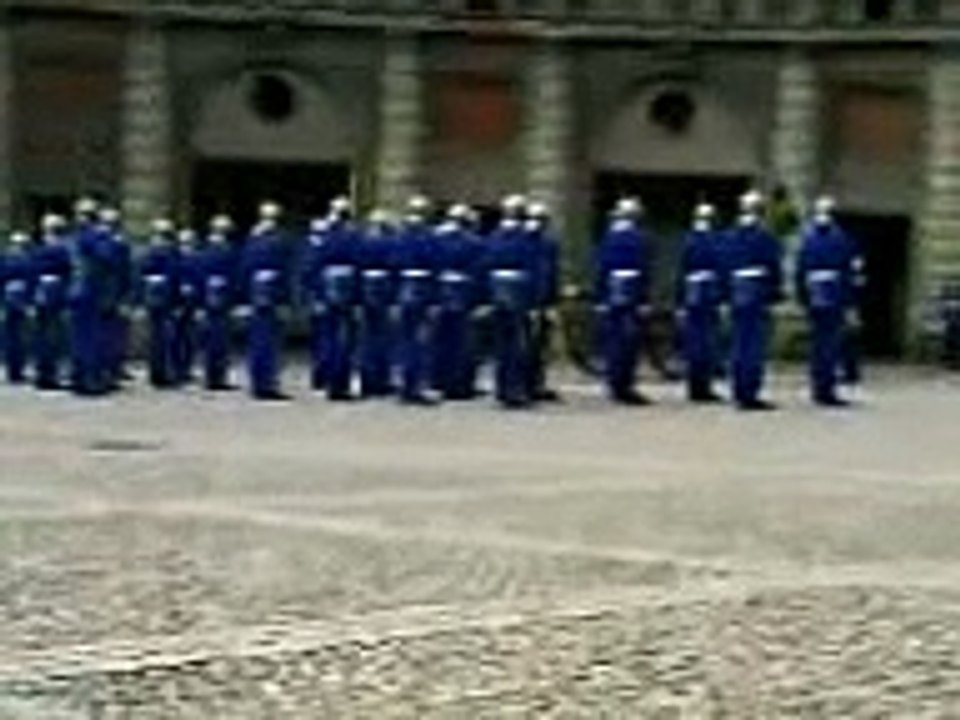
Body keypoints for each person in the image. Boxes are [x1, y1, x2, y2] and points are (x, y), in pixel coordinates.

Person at [724, 190, 784, 411]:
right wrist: (775, 293)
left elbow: (724, 266)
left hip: (737, 290)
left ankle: (739, 389)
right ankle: (749, 392)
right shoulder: (764, 236)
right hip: (757, 290)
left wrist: (725, 294)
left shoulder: (731, 235)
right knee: (754, 345)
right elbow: (773, 265)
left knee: (738, 343)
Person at [796, 196, 857, 407]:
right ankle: (826, 389)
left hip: (814, 292)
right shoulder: (841, 238)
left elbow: (800, 270)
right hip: (834, 292)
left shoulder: (808, 237)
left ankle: (817, 387)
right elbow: (848, 271)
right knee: (829, 344)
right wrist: (850, 301)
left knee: (817, 344)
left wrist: (803, 297)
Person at [594, 198, 652, 405]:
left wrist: (600, 297)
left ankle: (614, 383)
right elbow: (644, 270)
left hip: (611, 292)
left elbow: (600, 269)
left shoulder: (608, 237)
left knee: (613, 340)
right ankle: (624, 384)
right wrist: (645, 299)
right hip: (632, 292)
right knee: (629, 341)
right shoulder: (641, 238)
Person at [486, 194, 536, 408]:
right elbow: (532, 268)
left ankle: (502, 388)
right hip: (518, 290)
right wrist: (535, 301)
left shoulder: (495, 235)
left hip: (498, 289)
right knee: (517, 343)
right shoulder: (525, 236)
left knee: (501, 343)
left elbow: (486, 264)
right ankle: (514, 390)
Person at [433, 204, 483, 401]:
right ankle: (459, 384)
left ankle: (438, 380)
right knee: (462, 343)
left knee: (440, 339)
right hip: (464, 294)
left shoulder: (436, 239)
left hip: (440, 293)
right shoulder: (473, 243)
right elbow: (479, 272)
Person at [241, 201, 290, 400]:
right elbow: (286, 270)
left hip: (256, 291)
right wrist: (286, 299)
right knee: (270, 341)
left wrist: (243, 297)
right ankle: (267, 383)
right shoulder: (280, 239)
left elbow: (244, 268)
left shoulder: (252, 239)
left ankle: (257, 382)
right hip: (273, 291)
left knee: (257, 339)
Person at [393, 195, 439, 405]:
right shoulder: (429, 236)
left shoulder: (399, 236)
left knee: (404, 340)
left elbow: (392, 264)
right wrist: (434, 300)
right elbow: (434, 265)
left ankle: (405, 385)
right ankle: (417, 386)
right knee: (421, 341)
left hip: (403, 288)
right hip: (423, 289)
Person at [678, 203, 725, 403]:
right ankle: (702, 386)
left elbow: (682, 272)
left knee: (695, 342)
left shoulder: (689, 239)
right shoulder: (716, 240)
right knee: (706, 343)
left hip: (693, 292)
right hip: (708, 293)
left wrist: (679, 300)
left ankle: (696, 386)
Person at [67, 197, 112, 396]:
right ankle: (89, 380)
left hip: (77, 290)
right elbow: (106, 259)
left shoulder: (75, 236)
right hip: (91, 290)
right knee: (91, 338)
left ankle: (78, 378)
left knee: (79, 337)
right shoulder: (94, 236)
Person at [358, 209, 398, 398]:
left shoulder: (363, 240)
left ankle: (368, 380)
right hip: (384, 289)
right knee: (382, 338)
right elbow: (394, 265)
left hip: (366, 288)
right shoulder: (390, 242)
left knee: (368, 338)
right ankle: (380, 380)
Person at [525, 202, 561, 402]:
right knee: (532, 346)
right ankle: (530, 384)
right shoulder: (545, 243)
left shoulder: (545, 242)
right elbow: (545, 276)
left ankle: (534, 383)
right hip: (533, 301)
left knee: (538, 346)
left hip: (533, 300)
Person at [32, 214, 72, 390]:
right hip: (55, 292)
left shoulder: (38, 248)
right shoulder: (62, 249)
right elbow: (67, 270)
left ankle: (43, 373)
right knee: (53, 335)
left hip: (42, 292)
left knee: (43, 334)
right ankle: (50, 374)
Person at [198, 215, 238, 390]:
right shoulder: (219, 249)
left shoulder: (209, 248)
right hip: (217, 297)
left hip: (215, 296)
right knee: (217, 339)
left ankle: (215, 376)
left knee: (217, 340)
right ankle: (215, 377)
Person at [139, 219, 180, 388]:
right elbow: (173, 276)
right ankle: (162, 373)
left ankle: (156, 372)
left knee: (156, 337)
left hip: (153, 298)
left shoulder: (149, 251)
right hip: (165, 298)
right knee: (165, 338)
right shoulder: (169, 251)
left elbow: (143, 273)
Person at [98, 207, 133, 389]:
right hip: (107, 295)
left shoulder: (116, 243)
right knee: (109, 336)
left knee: (114, 335)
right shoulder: (114, 243)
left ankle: (111, 370)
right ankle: (108, 371)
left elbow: (126, 272)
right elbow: (123, 271)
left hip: (110, 295)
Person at [2, 232, 36, 384]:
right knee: (16, 336)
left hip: (13, 298)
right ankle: (15, 369)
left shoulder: (7, 259)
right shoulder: (27, 260)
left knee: (15, 335)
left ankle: (14, 369)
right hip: (17, 298)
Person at [171, 228, 203, 385]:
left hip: (192, 301)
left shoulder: (197, 257)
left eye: (189, 241)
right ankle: (177, 370)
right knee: (176, 338)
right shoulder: (175, 258)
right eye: (184, 241)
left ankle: (185, 369)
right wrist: (175, 302)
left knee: (190, 338)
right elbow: (172, 280)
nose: (186, 245)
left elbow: (200, 280)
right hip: (178, 301)